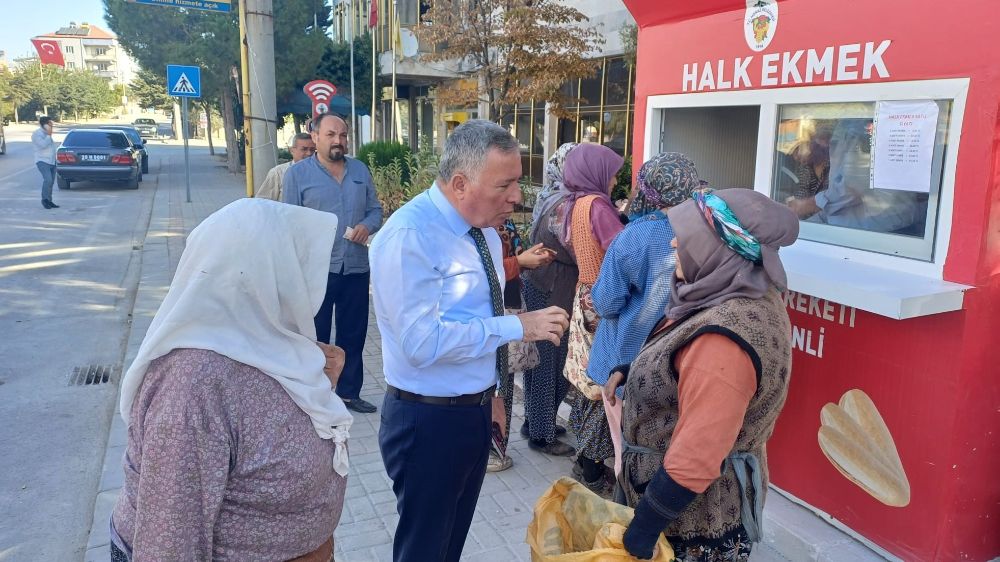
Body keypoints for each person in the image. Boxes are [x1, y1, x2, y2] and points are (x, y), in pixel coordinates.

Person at [370, 119, 569, 562]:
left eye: (518, 182)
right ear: (460, 183)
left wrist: (494, 393)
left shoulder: (480, 230)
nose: (517, 197)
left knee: (450, 546)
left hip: (472, 412)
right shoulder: (410, 237)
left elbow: (479, 312)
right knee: (424, 550)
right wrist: (520, 326)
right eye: (506, 185)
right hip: (427, 421)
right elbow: (421, 344)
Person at [110, 199, 354, 561]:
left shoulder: (269, 342)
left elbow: (267, 425)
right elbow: (170, 543)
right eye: (297, 265)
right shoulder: (192, 386)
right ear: (267, 274)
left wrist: (320, 382)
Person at [603, 188, 799, 561]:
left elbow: (696, 457)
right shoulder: (736, 292)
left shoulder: (723, 340)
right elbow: (689, 370)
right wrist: (633, 371)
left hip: (692, 526)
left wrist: (640, 534)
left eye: (687, 236)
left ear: (720, 249)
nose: (675, 241)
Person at [283, 113, 383, 414]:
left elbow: (375, 210)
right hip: (317, 271)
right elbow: (289, 222)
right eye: (331, 134)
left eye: (343, 134)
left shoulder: (360, 170)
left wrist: (367, 225)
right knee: (316, 336)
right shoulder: (298, 175)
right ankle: (315, 394)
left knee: (354, 334)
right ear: (314, 137)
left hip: (354, 267)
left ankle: (349, 393)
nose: (338, 140)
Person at [588, 153, 701, 402]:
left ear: (650, 190)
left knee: (617, 437)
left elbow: (606, 303)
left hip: (627, 362)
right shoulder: (709, 227)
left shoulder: (636, 236)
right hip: (684, 362)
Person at [559, 143, 625, 495]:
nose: (615, 179)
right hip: (603, 299)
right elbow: (620, 250)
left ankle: (585, 458)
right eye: (612, 172)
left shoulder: (577, 203)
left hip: (585, 293)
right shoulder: (598, 206)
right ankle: (591, 466)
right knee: (604, 383)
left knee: (588, 382)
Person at [520, 143, 579, 457]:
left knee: (543, 362)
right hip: (549, 289)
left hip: (548, 287)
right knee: (548, 365)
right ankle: (541, 436)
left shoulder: (555, 195)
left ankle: (535, 422)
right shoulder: (561, 203)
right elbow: (570, 250)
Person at [490, 218, 555, 472]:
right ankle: (491, 451)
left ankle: (498, 446)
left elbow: (516, 258)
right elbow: (481, 272)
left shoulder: (503, 222)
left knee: (504, 380)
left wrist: (530, 259)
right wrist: (519, 262)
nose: (515, 197)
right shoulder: (472, 226)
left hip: (511, 302)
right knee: (494, 382)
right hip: (494, 310)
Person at [256, 132, 317, 201]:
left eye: (312, 150)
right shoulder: (278, 173)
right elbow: (262, 202)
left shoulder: (320, 173)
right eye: (304, 149)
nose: (309, 153)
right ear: (291, 150)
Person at [32, 116, 58, 209]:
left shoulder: (48, 134)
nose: (51, 126)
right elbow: (43, 145)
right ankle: (45, 200)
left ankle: (49, 201)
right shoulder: (37, 134)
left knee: (51, 183)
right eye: (50, 124)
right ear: (45, 125)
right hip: (42, 161)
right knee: (48, 180)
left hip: (51, 161)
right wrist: (48, 134)